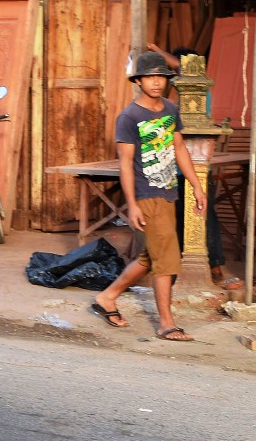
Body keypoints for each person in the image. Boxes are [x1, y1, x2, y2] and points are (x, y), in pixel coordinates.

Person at [91, 51, 207, 342]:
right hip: (146, 194)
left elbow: (179, 148)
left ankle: (108, 297)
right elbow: (125, 164)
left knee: (149, 257)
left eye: (161, 77)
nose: (156, 82)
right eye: (150, 77)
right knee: (166, 258)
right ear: (139, 81)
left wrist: (196, 185)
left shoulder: (170, 109)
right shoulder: (129, 117)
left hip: (168, 192)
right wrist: (132, 205)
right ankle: (167, 324)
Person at [148, 44, 242, 290]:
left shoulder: (196, 91)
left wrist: (157, 51)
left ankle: (215, 269)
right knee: (178, 220)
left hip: (193, 169)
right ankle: (179, 271)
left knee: (203, 219)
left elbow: (182, 66)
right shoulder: (171, 94)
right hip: (172, 170)